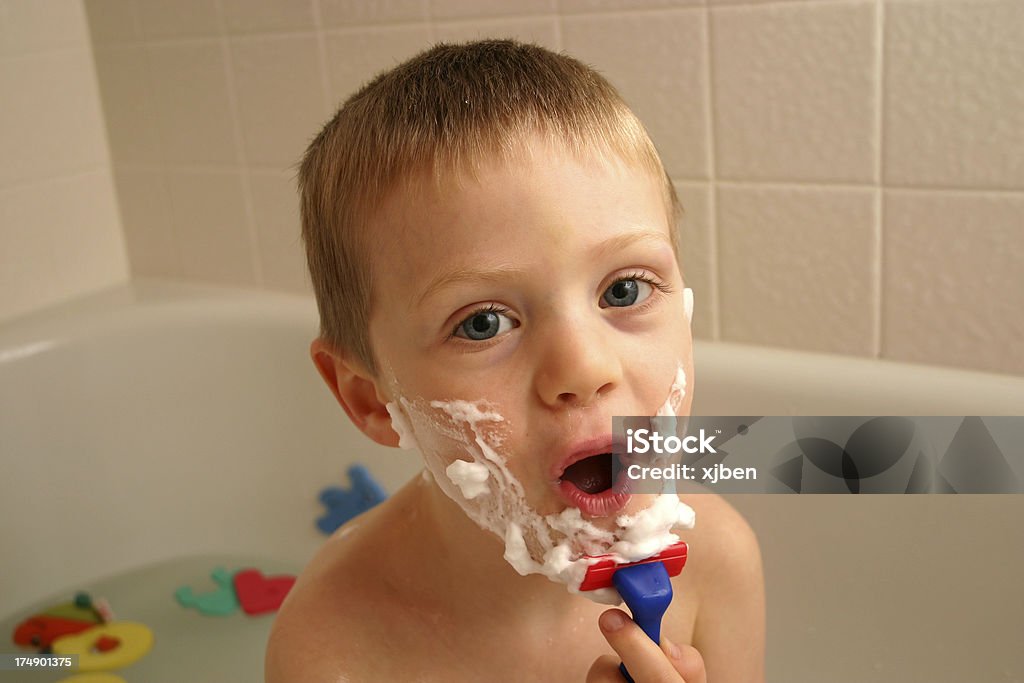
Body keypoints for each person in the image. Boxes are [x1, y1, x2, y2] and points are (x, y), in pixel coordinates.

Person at [266, 39, 764, 682]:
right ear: (370, 398)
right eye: (482, 323)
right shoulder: (335, 645)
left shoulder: (717, 561)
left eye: (624, 290)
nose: (584, 368)